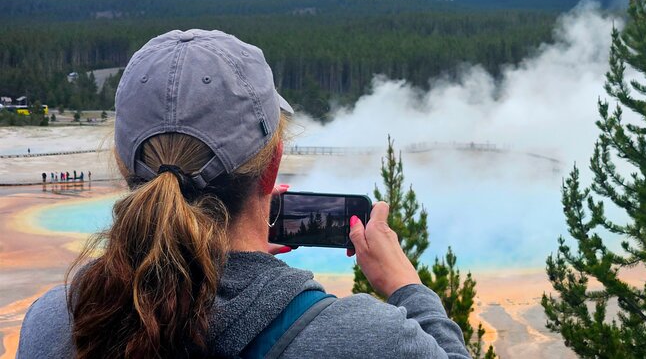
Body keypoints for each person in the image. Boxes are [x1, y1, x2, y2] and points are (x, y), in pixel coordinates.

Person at [17, 30, 470, 358]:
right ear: (270, 168)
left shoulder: (56, 322)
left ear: (124, 168)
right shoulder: (368, 342)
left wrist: (218, 252)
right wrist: (407, 287)